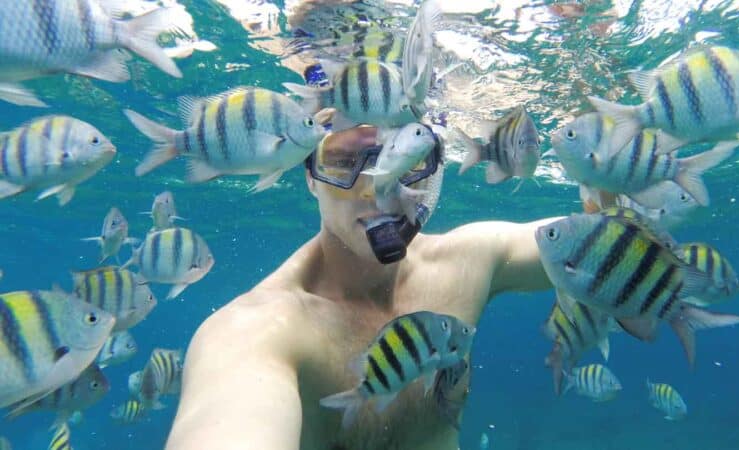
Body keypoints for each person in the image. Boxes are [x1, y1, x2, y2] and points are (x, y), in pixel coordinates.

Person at [164, 123, 562, 450]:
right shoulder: (258, 334)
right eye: (343, 160)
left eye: (404, 157)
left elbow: (606, 243)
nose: (377, 186)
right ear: (310, 177)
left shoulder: (469, 261)